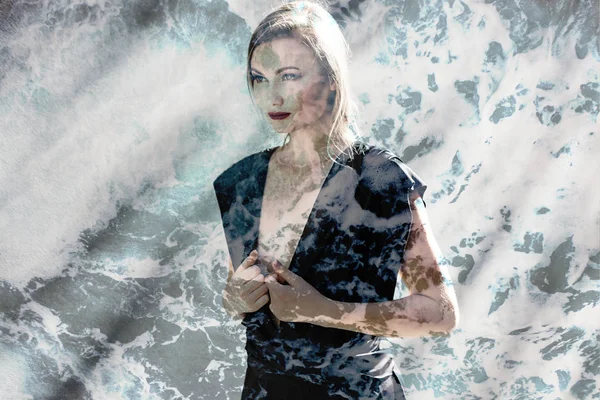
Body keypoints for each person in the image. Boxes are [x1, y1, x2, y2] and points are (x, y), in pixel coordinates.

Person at [212, 2, 460, 399]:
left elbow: (441, 313)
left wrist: (321, 310)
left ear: (330, 77)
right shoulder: (241, 183)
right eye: (258, 79)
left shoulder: (381, 179)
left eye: (288, 76)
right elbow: (238, 290)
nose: (271, 96)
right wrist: (235, 299)